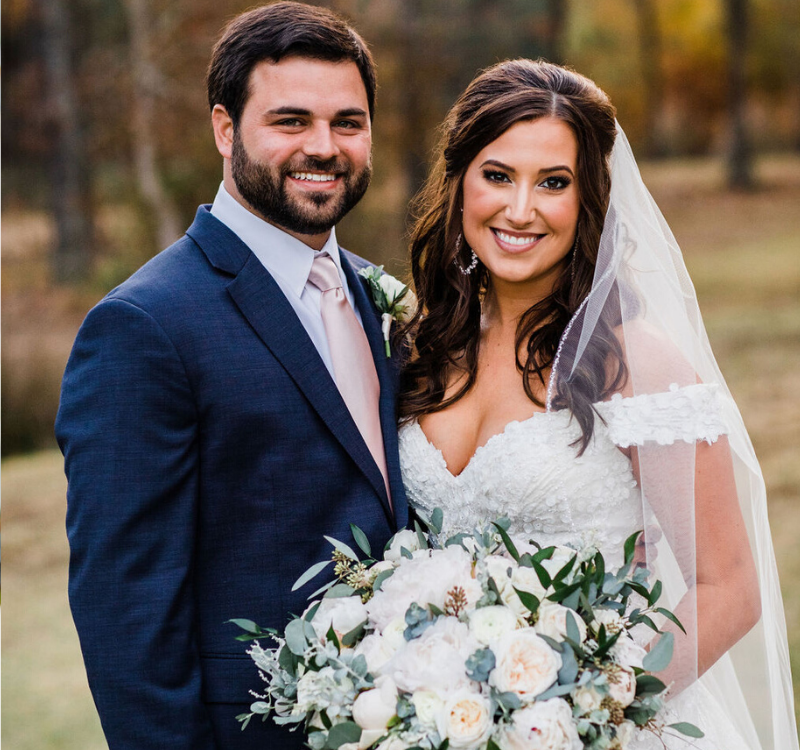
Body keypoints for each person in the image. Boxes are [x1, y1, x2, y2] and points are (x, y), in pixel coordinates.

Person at [396, 58, 798, 749]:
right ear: (460, 182)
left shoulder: (633, 361)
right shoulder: (423, 347)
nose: (520, 210)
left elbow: (728, 587)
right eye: (498, 176)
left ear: (590, 202)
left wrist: (586, 713)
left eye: (554, 183)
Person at [55, 3, 406, 748]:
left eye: (348, 122)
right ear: (224, 129)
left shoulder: (386, 298)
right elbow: (127, 616)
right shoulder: (144, 326)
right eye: (290, 121)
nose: (324, 146)